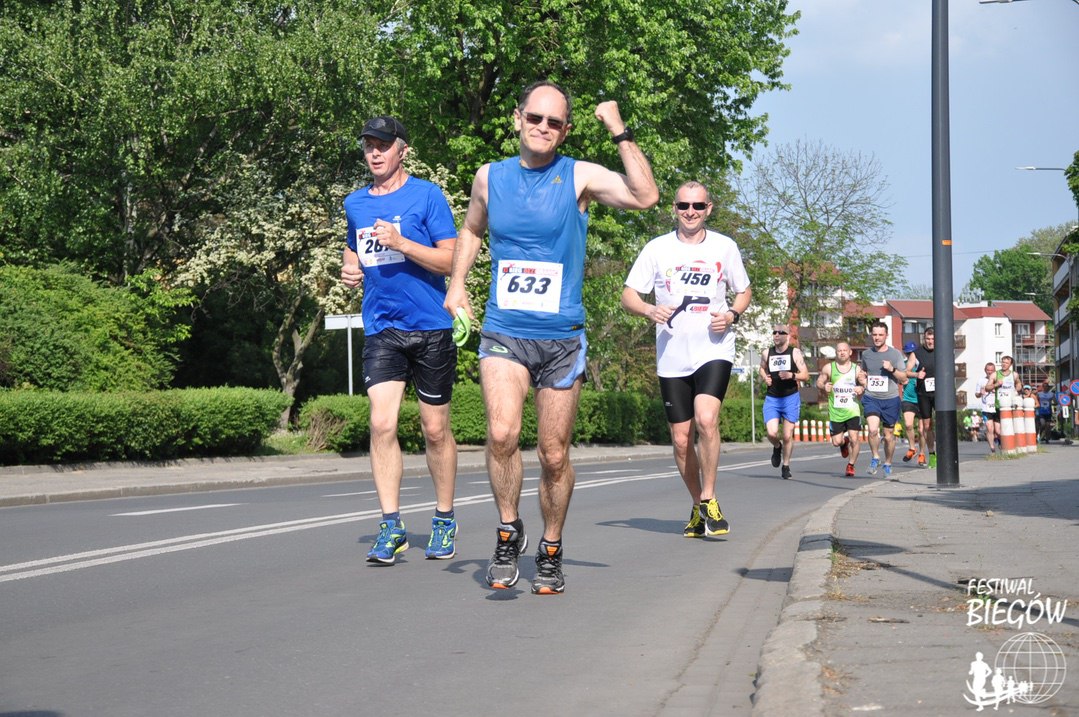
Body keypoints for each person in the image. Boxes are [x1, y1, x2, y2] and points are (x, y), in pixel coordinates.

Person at [444, 81, 659, 594]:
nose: (543, 127)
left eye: (554, 122)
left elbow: (646, 196)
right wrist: (456, 284)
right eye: (535, 117)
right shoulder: (489, 177)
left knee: (553, 455)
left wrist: (618, 128)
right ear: (517, 118)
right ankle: (506, 531)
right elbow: (471, 230)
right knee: (501, 434)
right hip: (505, 330)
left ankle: (551, 546)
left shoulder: (578, 176)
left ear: (565, 131)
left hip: (561, 339)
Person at [341, 115, 460, 564]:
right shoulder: (355, 203)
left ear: (402, 150)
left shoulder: (427, 196)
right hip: (382, 327)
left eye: (383, 145)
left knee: (435, 430)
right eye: (368, 145)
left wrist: (403, 243)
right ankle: (391, 525)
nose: (374, 153)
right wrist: (350, 268)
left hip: (430, 326)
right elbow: (353, 247)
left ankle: (444, 518)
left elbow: (451, 261)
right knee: (381, 424)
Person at [622, 181, 751, 537]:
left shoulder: (725, 247)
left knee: (706, 419)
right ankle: (697, 505)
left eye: (697, 206)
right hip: (672, 356)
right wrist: (649, 310)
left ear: (709, 208)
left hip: (714, 348)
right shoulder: (657, 248)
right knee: (681, 440)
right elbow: (628, 295)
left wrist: (732, 315)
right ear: (674, 208)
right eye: (683, 206)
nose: (690, 212)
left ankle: (709, 498)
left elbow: (744, 291)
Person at [857, 321, 907, 479]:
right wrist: (861, 379)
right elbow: (864, 372)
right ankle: (875, 457)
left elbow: (904, 378)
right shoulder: (866, 354)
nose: (877, 338)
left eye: (880, 335)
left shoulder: (895, 354)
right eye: (874, 334)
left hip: (891, 399)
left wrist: (892, 369)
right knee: (872, 430)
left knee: (888, 436)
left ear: (886, 335)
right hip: (872, 397)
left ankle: (888, 462)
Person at [759, 323, 809, 479]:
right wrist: (765, 377)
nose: (776, 335)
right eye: (774, 332)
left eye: (780, 332)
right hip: (772, 398)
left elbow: (805, 375)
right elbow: (761, 368)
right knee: (771, 432)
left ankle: (786, 465)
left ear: (787, 336)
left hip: (790, 398)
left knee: (787, 435)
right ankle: (777, 446)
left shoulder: (795, 353)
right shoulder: (767, 353)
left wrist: (791, 375)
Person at [816, 341, 864, 477]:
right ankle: (844, 443)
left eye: (844, 350)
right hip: (836, 411)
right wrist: (824, 386)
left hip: (852, 410)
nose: (842, 353)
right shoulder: (829, 368)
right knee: (836, 442)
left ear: (850, 352)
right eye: (839, 351)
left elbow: (865, 383)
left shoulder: (856, 369)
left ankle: (851, 465)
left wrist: (861, 388)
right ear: (836, 353)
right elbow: (819, 382)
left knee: (855, 438)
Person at [906, 327, 937, 468]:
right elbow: (907, 371)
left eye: (933, 339)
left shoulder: (942, 351)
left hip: (940, 393)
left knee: (943, 423)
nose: (930, 342)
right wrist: (917, 374)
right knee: (927, 425)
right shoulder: (916, 353)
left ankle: (945, 451)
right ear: (924, 339)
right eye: (928, 339)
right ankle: (932, 454)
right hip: (923, 393)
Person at [899, 341, 920, 462]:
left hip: (922, 398)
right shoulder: (903, 365)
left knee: (922, 429)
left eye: (912, 352)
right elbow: (898, 378)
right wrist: (901, 380)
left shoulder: (921, 363)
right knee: (908, 425)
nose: (910, 355)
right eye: (907, 353)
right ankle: (912, 448)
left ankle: (922, 453)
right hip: (908, 398)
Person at [974, 362, 1001, 454]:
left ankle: (1000, 442)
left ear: (994, 371)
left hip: (997, 407)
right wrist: (980, 393)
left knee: (998, 430)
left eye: (991, 370)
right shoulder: (981, 381)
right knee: (989, 428)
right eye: (988, 370)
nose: (989, 372)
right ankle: (992, 449)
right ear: (985, 370)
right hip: (986, 408)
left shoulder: (998, 380)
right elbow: (976, 395)